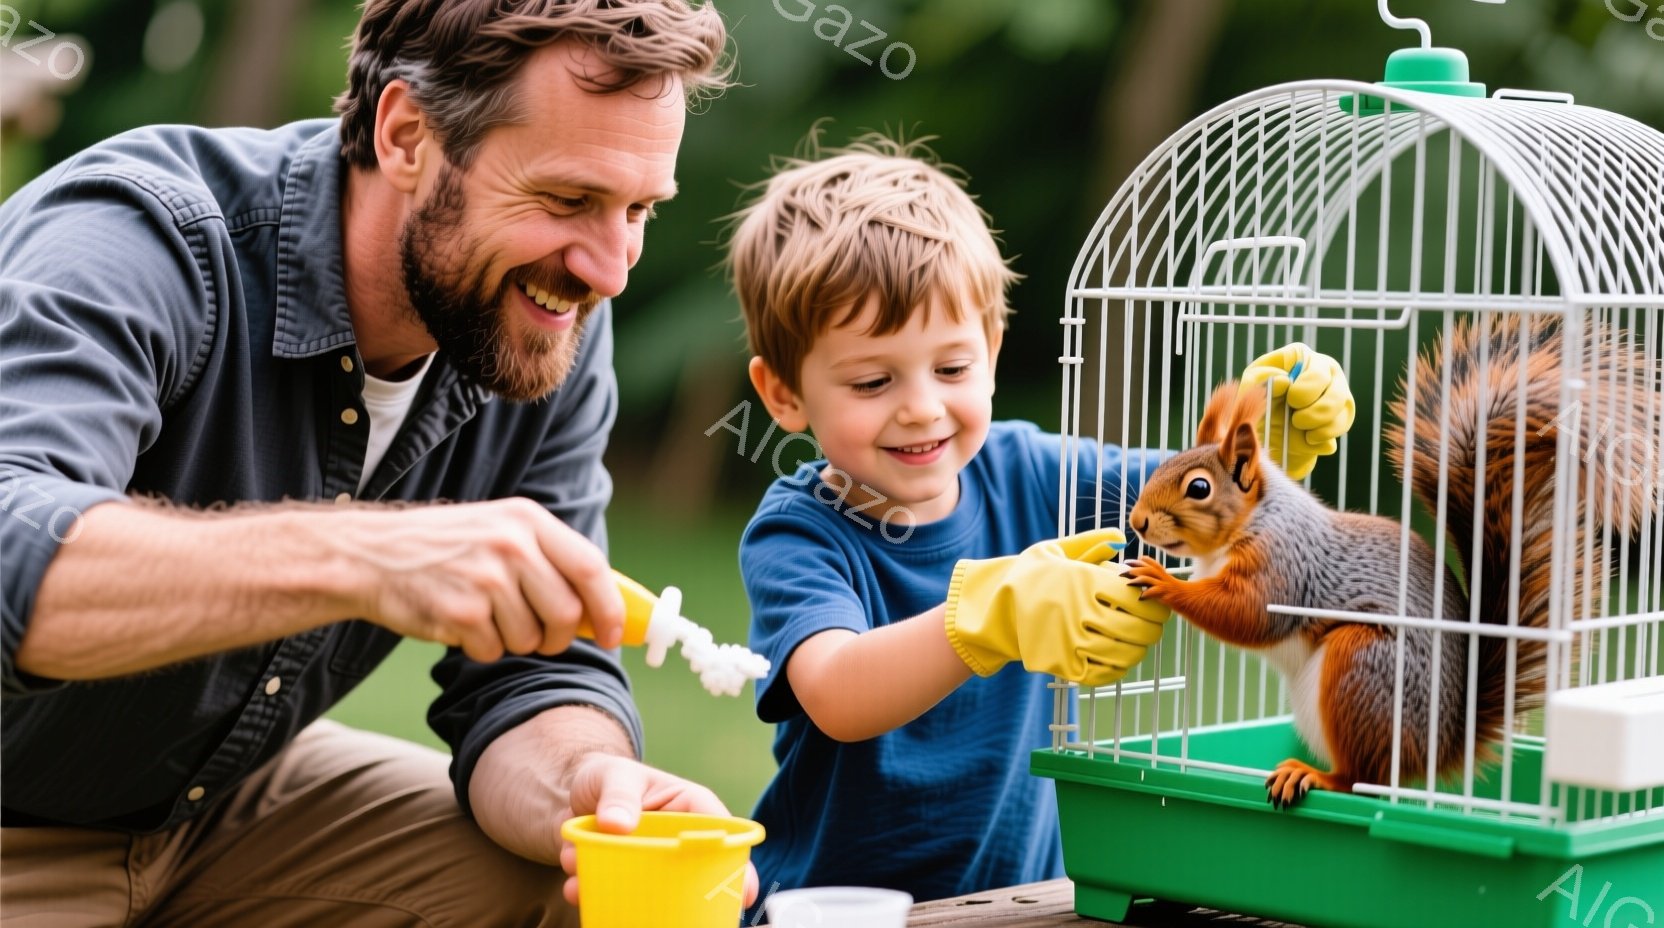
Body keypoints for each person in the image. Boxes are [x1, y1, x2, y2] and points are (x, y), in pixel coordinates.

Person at [0, 1, 746, 925]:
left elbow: (534, 673)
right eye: (566, 200)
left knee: (574, 884)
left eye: (637, 210)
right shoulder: (143, 240)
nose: (610, 269)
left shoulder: (542, 318)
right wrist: (366, 557)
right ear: (406, 136)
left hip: (220, 804)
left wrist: (586, 783)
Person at [721, 134, 1355, 914]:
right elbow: (838, 693)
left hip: (1024, 905)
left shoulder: (1030, 471)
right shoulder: (799, 533)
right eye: (873, 380)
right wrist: (987, 616)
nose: (921, 406)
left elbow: (1189, 495)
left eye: (951, 368)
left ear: (990, 350)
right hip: (838, 912)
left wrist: (1264, 449)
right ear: (783, 395)